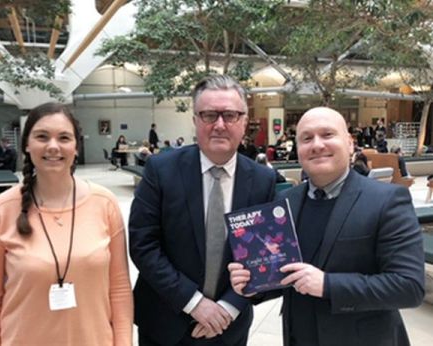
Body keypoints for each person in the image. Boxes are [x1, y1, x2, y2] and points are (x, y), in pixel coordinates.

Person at [229, 106, 425, 346]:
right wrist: (254, 285)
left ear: (350, 143)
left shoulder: (388, 200)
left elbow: (409, 286)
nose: (317, 145)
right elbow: (288, 274)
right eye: (307, 138)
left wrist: (328, 284)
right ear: (299, 150)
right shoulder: (285, 202)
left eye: (328, 134)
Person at [129, 74, 276, 346]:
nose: (219, 125)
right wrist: (195, 303)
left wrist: (228, 308)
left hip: (227, 328)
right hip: (165, 324)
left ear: (244, 122)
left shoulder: (263, 180)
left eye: (230, 115)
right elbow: (143, 245)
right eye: (209, 115)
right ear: (195, 120)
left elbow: (262, 259)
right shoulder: (161, 170)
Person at [0, 102, 133, 345]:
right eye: (42, 136)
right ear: (27, 146)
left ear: (76, 147)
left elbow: (119, 290)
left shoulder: (104, 204)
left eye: (64, 137)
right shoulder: (0, 211)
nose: (53, 146)